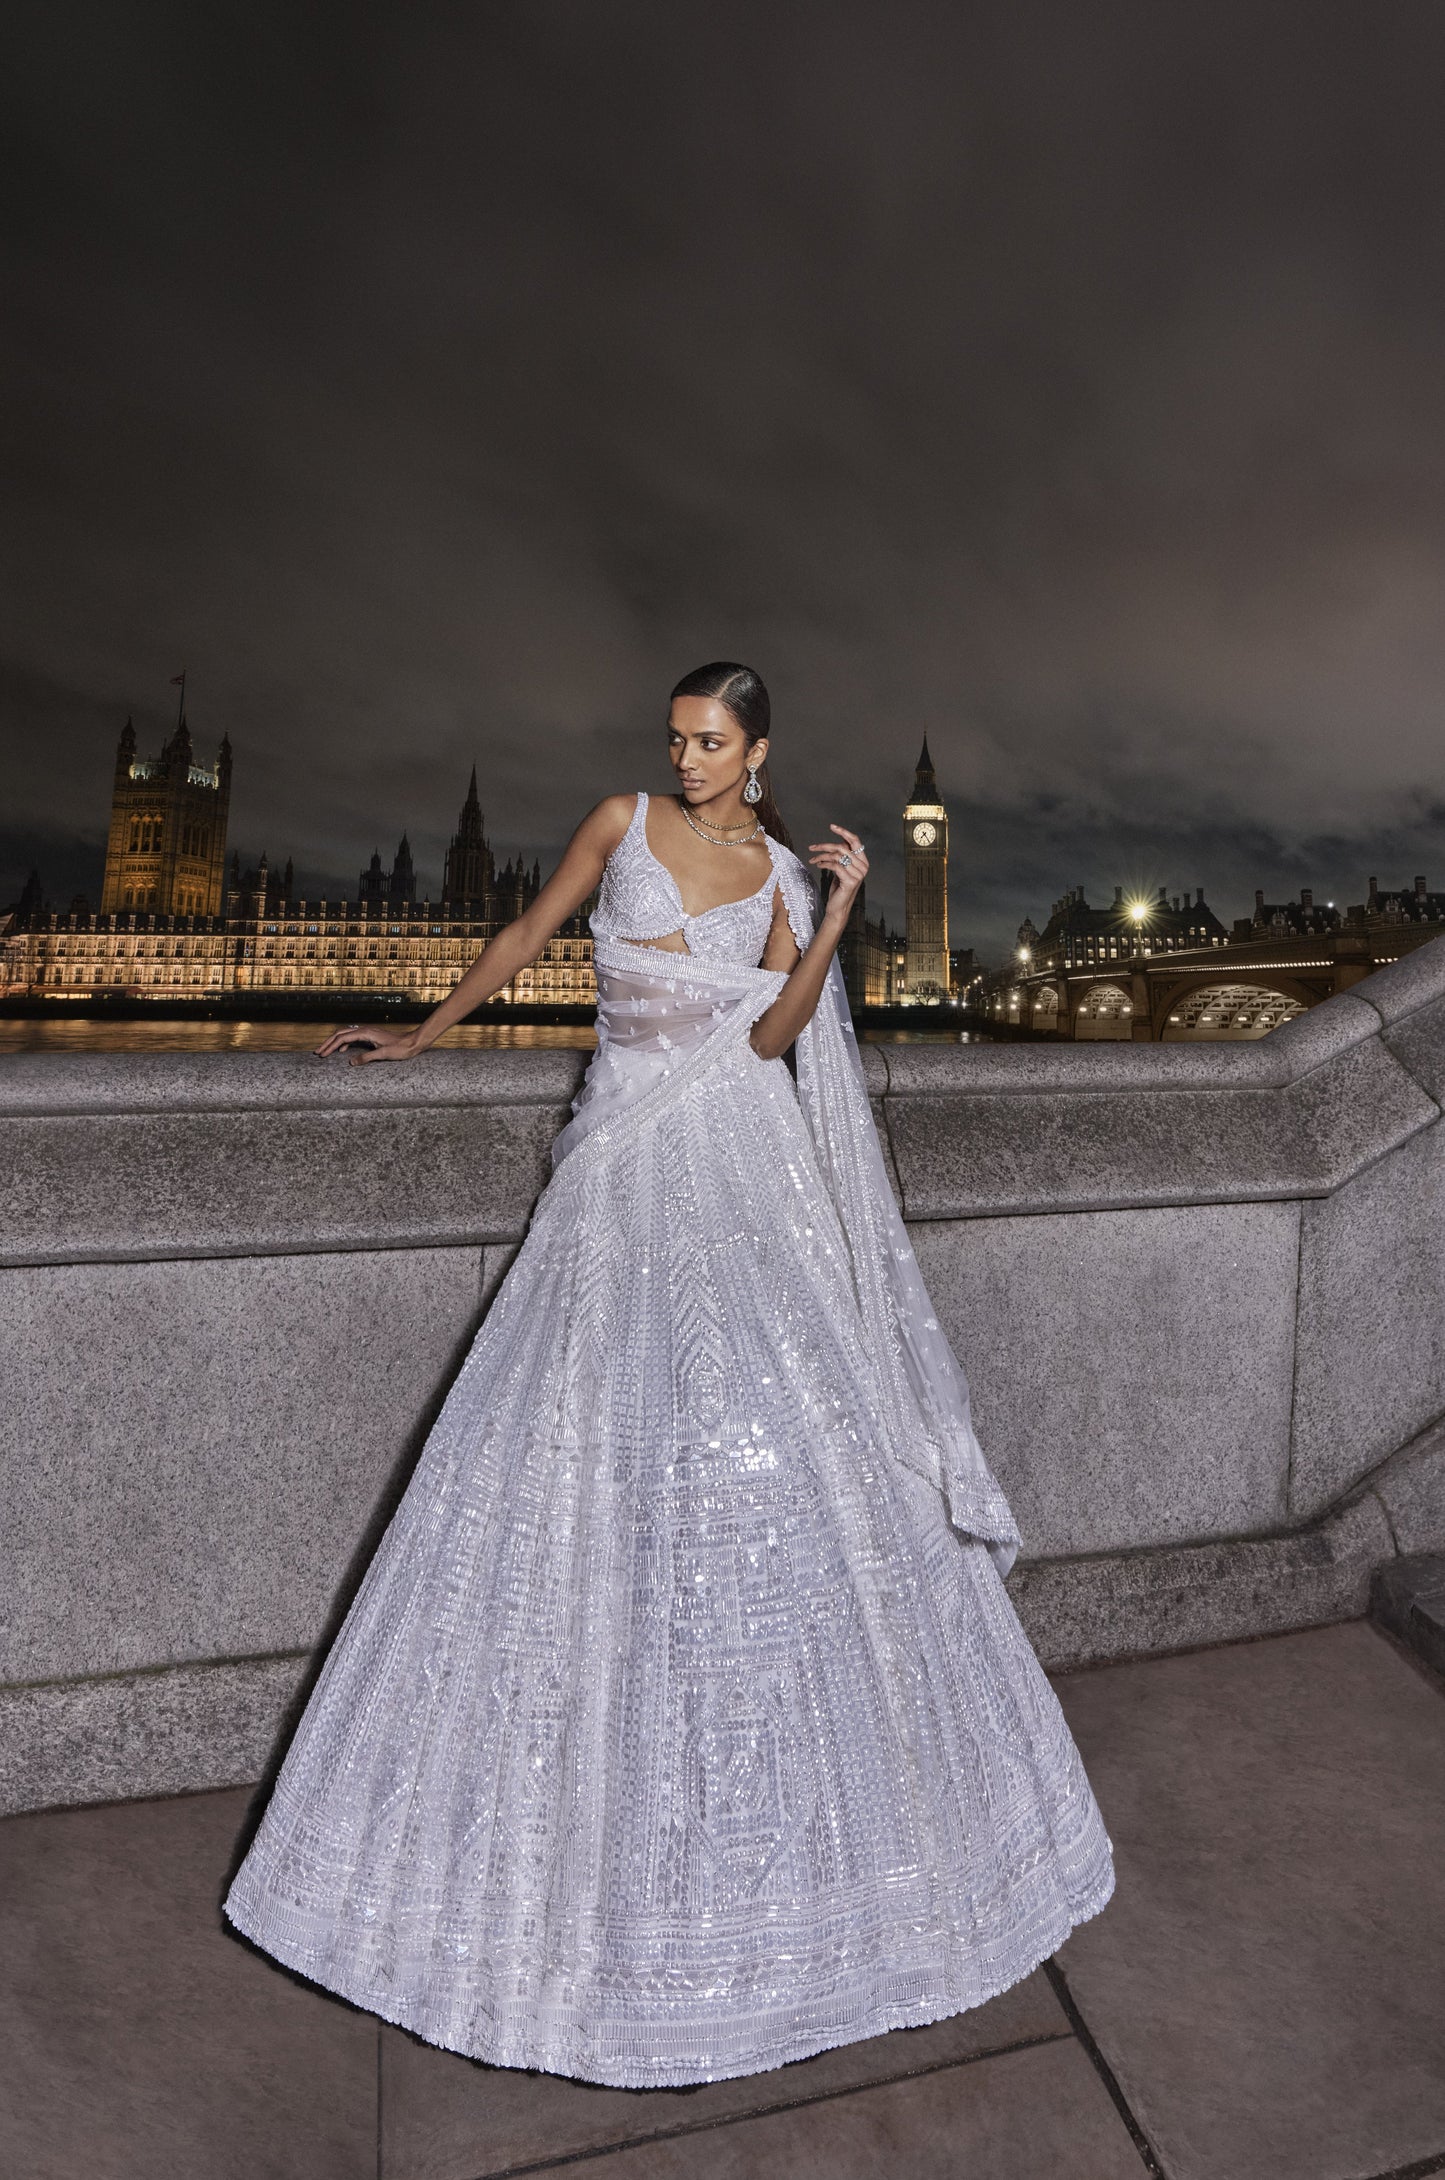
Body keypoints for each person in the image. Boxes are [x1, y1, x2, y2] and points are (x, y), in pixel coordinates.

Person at [224, 661, 1113, 2088]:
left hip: (731, 1163)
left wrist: (829, 919)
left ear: (757, 751)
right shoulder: (619, 820)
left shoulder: (773, 870)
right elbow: (526, 929)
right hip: (622, 1166)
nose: (687, 761)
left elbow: (769, 1035)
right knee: (575, 1451)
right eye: (677, 740)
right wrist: (424, 1030)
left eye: (711, 744)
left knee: (780, 1445)